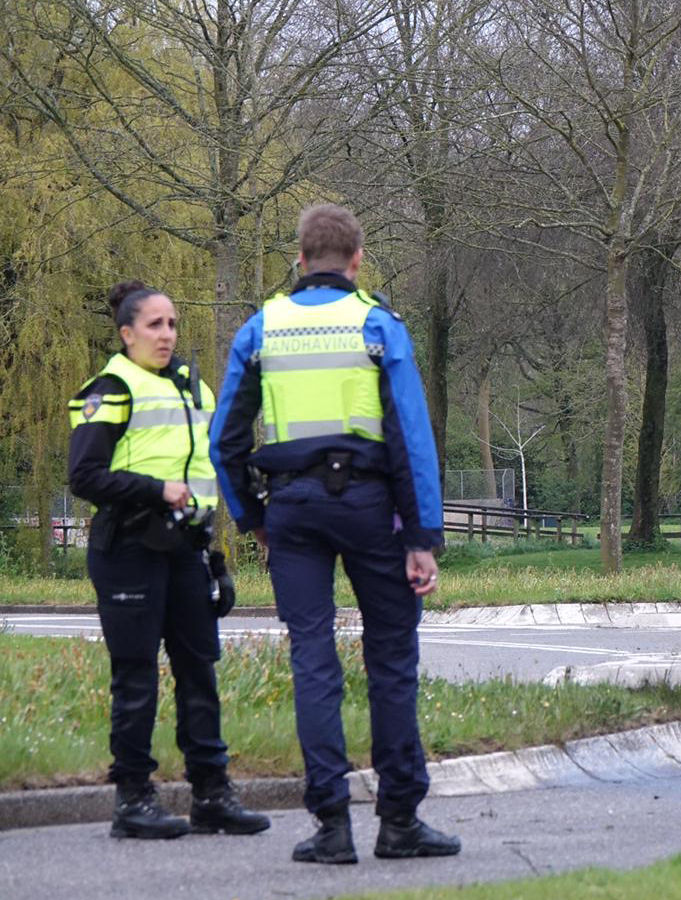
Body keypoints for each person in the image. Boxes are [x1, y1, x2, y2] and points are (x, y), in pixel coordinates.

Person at [211, 203, 459, 865]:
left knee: (313, 661)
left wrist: (254, 519)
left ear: (299, 259)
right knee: (391, 660)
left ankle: (330, 827)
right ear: (357, 260)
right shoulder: (378, 325)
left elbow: (225, 441)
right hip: (371, 506)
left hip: (292, 509)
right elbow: (411, 438)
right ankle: (399, 821)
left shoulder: (261, 329)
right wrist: (421, 538)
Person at [67, 280, 270, 840]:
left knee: (199, 671)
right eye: (154, 325)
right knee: (136, 678)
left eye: (173, 324)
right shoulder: (111, 388)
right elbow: (84, 475)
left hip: (186, 548)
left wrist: (216, 551)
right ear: (127, 333)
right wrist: (156, 490)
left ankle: (212, 795)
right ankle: (133, 801)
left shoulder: (191, 387)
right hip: (129, 548)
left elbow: (204, 473)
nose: (167, 335)